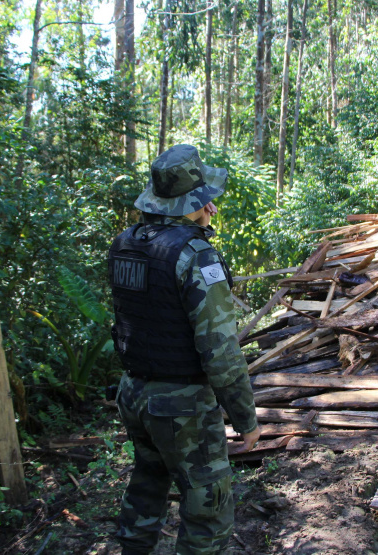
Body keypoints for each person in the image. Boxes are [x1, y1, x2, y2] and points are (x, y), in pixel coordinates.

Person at [108, 144, 261, 555]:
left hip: (133, 393)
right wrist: (245, 418)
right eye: (206, 197)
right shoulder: (194, 254)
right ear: (194, 201)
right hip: (181, 404)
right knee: (208, 506)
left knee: (148, 482)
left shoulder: (125, 243)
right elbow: (220, 349)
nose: (212, 205)